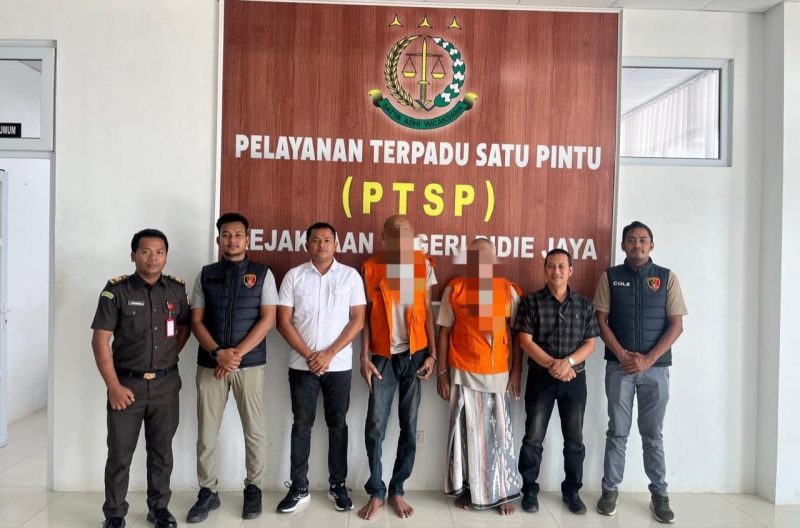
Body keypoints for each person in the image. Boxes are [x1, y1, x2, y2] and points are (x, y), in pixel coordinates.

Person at [91, 229, 190, 528]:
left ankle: (158, 509)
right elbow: (100, 341)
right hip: (127, 386)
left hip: (165, 386)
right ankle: (114, 514)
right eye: (146, 251)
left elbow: (184, 327)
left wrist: (166, 358)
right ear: (133, 255)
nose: (153, 257)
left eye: (159, 252)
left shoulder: (176, 290)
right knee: (120, 454)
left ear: (166, 256)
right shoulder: (116, 291)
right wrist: (113, 386)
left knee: (161, 453)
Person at [186, 212, 278, 523]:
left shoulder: (263, 274)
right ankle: (208, 492)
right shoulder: (205, 275)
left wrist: (235, 355)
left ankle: (254, 488)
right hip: (210, 365)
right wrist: (217, 353)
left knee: (254, 430)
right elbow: (196, 321)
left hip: (249, 365)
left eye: (238, 234)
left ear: (247, 239)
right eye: (226, 235)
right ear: (218, 240)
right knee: (206, 433)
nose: (232, 240)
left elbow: (268, 319)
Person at [593, 221, 687, 524]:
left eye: (643, 240)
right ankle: (610, 490)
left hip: (655, 370)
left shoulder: (667, 278)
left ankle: (659, 494)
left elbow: (677, 325)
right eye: (631, 240)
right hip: (619, 368)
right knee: (617, 432)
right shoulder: (610, 277)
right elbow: (601, 321)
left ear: (651, 245)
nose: (637, 245)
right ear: (623, 246)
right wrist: (623, 356)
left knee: (653, 435)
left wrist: (648, 359)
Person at [275, 222, 366, 513]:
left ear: (336, 244)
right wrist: (310, 355)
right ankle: (298, 487)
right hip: (301, 366)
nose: (321, 245)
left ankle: (338, 485)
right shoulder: (294, 276)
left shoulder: (350, 277)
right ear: (307, 245)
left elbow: (358, 320)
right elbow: (283, 321)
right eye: (316, 240)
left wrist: (328, 354)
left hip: (338, 366)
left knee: (337, 424)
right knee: (301, 425)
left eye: (327, 240)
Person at [357, 215, 437, 520]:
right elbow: (365, 317)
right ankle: (376, 492)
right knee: (375, 426)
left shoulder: (422, 265)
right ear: (383, 236)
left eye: (406, 233)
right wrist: (363, 357)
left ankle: (397, 489)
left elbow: (427, 311)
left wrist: (432, 354)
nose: (401, 239)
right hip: (382, 357)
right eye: (395, 233)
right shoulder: (370, 268)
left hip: (415, 356)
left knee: (409, 427)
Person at [436, 238, 522, 515]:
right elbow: (444, 332)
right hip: (462, 372)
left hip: (498, 375)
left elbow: (517, 335)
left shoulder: (508, 290)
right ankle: (469, 489)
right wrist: (442, 373)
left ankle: (501, 493)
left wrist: (517, 371)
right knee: (465, 435)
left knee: (499, 436)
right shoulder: (455, 289)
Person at [514, 248, 599, 516]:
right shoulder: (531, 302)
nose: (556, 271)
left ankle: (572, 491)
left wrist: (568, 363)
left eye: (562, 266)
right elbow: (524, 341)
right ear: (544, 270)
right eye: (551, 266)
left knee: (574, 439)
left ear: (571, 270)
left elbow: (590, 344)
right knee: (533, 437)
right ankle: (529, 490)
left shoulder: (584, 304)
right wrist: (555, 365)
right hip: (541, 379)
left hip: (575, 380)